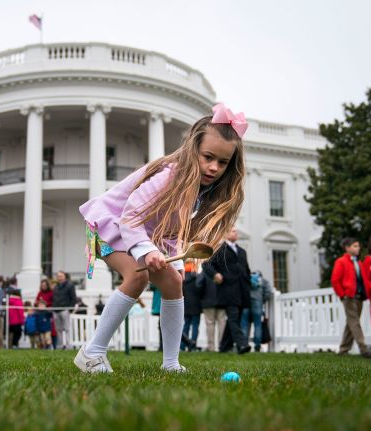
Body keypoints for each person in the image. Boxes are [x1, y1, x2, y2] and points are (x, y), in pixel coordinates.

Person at [76, 104, 247, 372]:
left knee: (173, 283)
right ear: (193, 150)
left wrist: (169, 256)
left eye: (222, 162)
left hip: (145, 233)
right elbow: (131, 215)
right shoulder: (169, 176)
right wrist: (147, 250)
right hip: (107, 225)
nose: (214, 167)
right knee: (138, 275)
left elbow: (167, 227)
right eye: (208, 157)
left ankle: (170, 363)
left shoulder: (203, 189)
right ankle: (91, 352)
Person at [205, 227, 252, 355]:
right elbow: (207, 264)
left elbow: (246, 269)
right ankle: (242, 343)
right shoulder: (220, 249)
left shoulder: (242, 251)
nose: (236, 232)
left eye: (236, 231)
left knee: (236, 316)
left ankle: (224, 347)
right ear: (225, 233)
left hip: (242, 290)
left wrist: (248, 281)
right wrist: (215, 275)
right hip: (228, 289)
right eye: (232, 230)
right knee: (233, 317)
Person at [331, 237, 371, 357]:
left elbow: (363, 279)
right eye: (355, 246)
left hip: (359, 296)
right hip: (349, 297)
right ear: (347, 248)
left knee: (351, 323)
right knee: (355, 322)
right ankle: (364, 349)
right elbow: (335, 280)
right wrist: (343, 295)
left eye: (358, 246)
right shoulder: (341, 261)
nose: (358, 248)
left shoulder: (358, 262)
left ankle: (343, 349)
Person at [241, 270, 273, 352]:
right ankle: (257, 346)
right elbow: (268, 292)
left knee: (244, 324)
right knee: (257, 325)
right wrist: (262, 300)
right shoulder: (263, 280)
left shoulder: (247, 279)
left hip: (246, 303)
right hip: (257, 303)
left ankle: (244, 345)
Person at [52, 271, 77, 350]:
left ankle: (68, 346)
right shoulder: (55, 287)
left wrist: (70, 309)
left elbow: (73, 298)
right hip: (56, 310)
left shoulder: (70, 285)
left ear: (64, 276)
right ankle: (59, 346)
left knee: (67, 329)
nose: (59, 277)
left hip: (65, 310)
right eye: (58, 276)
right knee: (58, 329)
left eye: (61, 276)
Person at [181, 261, 202, 351]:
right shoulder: (196, 276)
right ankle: (192, 345)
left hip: (185, 304)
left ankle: (182, 346)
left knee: (186, 325)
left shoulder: (182, 276)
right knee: (195, 325)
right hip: (196, 304)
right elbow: (200, 288)